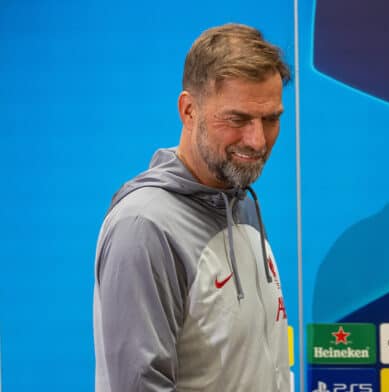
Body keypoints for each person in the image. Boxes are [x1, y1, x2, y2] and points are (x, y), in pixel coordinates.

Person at [93, 23, 291, 392]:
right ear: (188, 110)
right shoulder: (144, 227)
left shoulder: (240, 202)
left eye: (271, 119)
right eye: (238, 118)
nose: (258, 140)